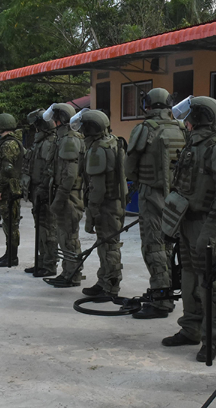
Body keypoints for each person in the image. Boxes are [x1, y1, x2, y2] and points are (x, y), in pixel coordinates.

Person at [161, 96, 216, 362]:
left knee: (209, 283)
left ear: (198, 118)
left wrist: (211, 228)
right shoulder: (194, 144)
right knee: (188, 276)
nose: (184, 121)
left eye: (189, 116)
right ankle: (191, 328)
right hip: (186, 220)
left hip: (205, 223)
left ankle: (212, 337)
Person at [125, 88, 187, 319]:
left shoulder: (144, 129)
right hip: (178, 198)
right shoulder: (181, 128)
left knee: (154, 246)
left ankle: (161, 300)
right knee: (169, 245)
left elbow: (129, 167)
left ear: (147, 106)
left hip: (152, 195)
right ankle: (167, 292)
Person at [73, 109, 127, 297]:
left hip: (106, 205)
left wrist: (92, 213)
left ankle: (110, 286)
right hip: (113, 203)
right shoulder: (111, 142)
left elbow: (97, 188)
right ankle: (104, 281)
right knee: (105, 244)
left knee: (109, 245)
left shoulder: (98, 150)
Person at [43, 103, 86, 288]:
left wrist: (59, 199)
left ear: (60, 119)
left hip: (69, 197)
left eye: (54, 119)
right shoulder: (63, 139)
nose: (52, 122)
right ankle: (68, 271)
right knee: (64, 235)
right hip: (66, 195)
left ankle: (72, 274)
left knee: (68, 236)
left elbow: (69, 175)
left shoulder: (69, 140)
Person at [22, 109, 59, 278]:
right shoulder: (39, 142)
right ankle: (41, 261)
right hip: (37, 190)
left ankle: (49, 264)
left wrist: (45, 190)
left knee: (48, 228)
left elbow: (50, 170)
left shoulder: (50, 143)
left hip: (45, 192)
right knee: (40, 227)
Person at [0, 113, 25, 267]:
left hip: (9, 190)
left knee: (11, 223)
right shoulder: (10, 142)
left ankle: (12, 256)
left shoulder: (8, 145)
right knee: (8, 223)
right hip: (11, 188)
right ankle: (9, 254)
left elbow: (6, 170)